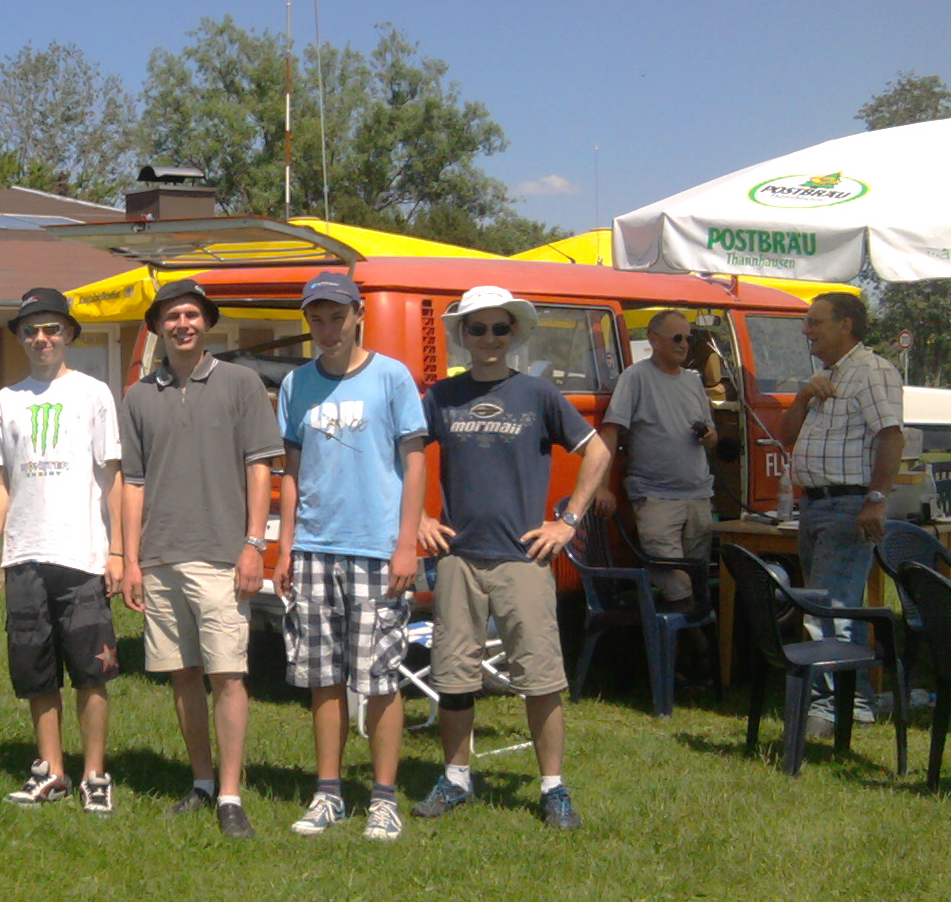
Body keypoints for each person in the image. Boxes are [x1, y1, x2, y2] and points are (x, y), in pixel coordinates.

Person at [414, 285, 611, 830]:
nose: (489, 338)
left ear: (514, 333)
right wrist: (418, 520)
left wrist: (568, 521)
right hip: (457, 558)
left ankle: (553, 789)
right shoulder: (441, 396)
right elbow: (400, 455)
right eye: (477, 328)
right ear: (463, 334)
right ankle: (456, 779)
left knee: (541, 678)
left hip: (522, 559)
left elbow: (598, 450)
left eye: (500, 328)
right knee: (454, 678)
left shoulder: (537, 394)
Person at [121, 278, 282, 838]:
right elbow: (133, 482)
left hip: (222, 556)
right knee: (184, 676)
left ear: (207, 322)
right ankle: (203, 782)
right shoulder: (139, 396)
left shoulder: (241, 383)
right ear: (158, 327)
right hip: (161, 556)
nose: (182, 324)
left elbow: (261, 466)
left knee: (228, 676)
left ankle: (231, 795)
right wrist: (131, 560)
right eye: (172, 317)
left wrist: (253, 545)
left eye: (191, 314)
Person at [271, 272, 427, 843]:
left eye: (337, 316)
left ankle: (383, 800)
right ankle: (328, 793)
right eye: (317, 318)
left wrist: (406, 543)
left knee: (379, 677)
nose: (327, 328)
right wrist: (285, 546)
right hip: (314, 548)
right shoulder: (296, 383)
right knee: (323, 677)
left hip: (375, 550)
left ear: (358, 314)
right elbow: (292, 471)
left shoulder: (392, 376)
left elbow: (414, 462)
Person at [0, 288, 124, 815]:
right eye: (31, 330)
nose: (41, 339)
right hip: (24, 557)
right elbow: (2, 480)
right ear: (19, 337)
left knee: (92, 670)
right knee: (35, 671)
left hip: (82, 555)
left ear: (69, 335)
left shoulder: (93, 394)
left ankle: (95, 775)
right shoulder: (5, 401)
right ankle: (53, 771)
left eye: (52, 328)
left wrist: (118, 551)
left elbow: (112, 474)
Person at [780, 290, 904, 733]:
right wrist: (801, 398)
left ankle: (829, 708)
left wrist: (876, 500)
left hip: (848, 504)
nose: (806, 330)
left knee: (827, 609)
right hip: (815, 504)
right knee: (831, 604)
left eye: (815, 322)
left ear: (845, 325)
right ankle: (858, 702)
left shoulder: (872, 372)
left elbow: (892, 436)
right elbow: (786, 437)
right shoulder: (825, 376)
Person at [598, 309, 718, 608]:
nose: (684, 344)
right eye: (677, 338)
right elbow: (610, 430)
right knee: (675, 585)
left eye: (689, 338)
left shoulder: (693, 381)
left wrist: (709, 436)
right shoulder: (636, 377)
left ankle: (689, 634)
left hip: (698, 496)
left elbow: (712, 433)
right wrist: (601, 485)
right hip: (656, 497)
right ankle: (690, 634)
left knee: (696, 580)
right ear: (653, 340)